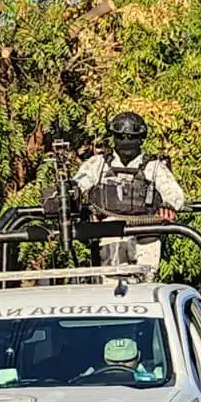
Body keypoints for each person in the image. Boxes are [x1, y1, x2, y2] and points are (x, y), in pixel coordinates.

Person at [72, 111, 186, 278]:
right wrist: (70, 191)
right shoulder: (98, 164)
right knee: (112, 284)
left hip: (146, 233)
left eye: (131, 137)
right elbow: (79, 183)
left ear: (140, 139)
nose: (126, 141)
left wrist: (168, 205)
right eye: (121, 137)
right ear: (114, 137)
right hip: (110, 232)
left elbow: (174, 193)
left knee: (145, 284)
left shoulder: (154, 167)